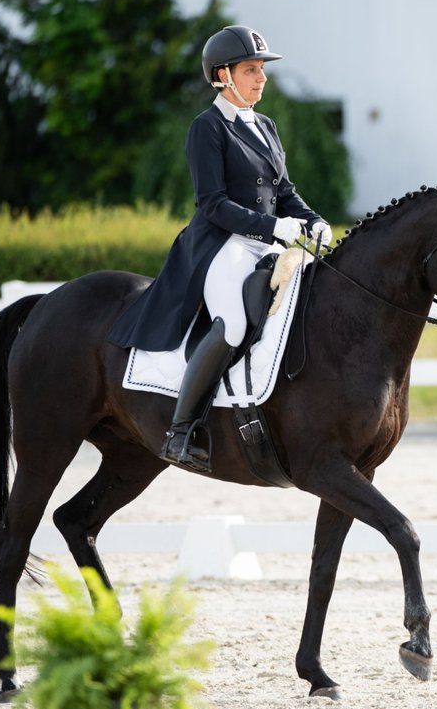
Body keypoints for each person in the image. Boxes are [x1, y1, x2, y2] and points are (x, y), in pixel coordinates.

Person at [107, 25, 332, 472]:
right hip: (221, 246)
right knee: (231, 326)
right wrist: (274, 226)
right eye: (250, 70)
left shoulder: (264, 125)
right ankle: (180, 430)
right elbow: (212, 204)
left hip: (269, 242)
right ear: (222, 75)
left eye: (261, 70)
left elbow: (285, 189)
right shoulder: (206, 128)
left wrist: (313, 220)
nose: (261, 78)